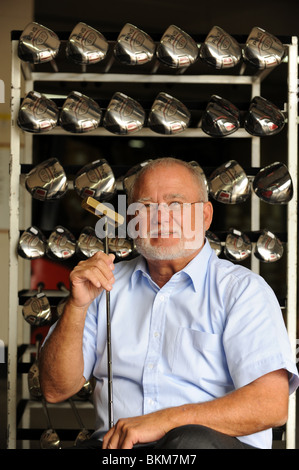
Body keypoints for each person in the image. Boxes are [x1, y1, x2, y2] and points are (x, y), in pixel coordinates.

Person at [39, 157, 298, 450]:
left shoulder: (242, 291)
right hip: (121, 450)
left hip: (203, 447)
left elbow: (270, 405)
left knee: (188, 442)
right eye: (146, 207)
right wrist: (76, 306)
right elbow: (55, 389)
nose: (160, 218)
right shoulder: (104, 287)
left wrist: (163, 422)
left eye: (175, 204)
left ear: (205, 216)